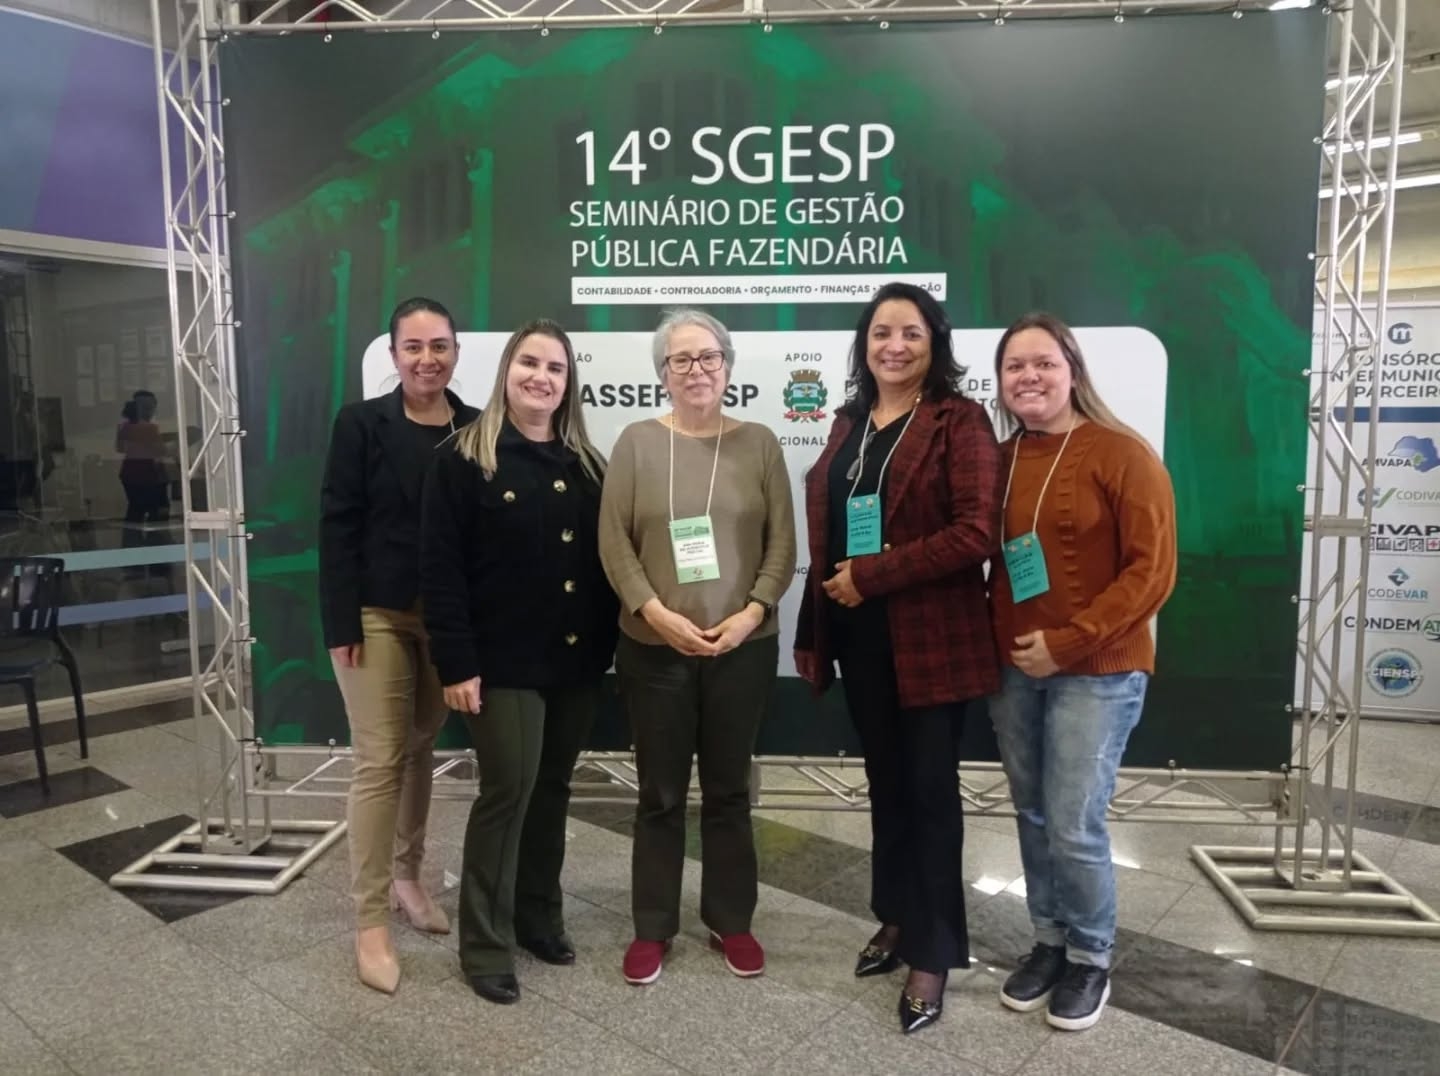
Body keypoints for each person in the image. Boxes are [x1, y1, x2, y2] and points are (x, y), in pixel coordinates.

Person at [793, 281, 1003, 1035]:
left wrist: (872, 575)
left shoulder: (959, 420)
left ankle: (933, 952)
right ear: (865, 343)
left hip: (930, 641)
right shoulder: (850, 420)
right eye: (881, 332)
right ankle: (897, 915)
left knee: (930, 795)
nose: (895, 345)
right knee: (886, 786)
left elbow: (975, 532)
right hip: (859, 638)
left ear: (934, 342)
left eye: (911, 332)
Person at [986, 312, 1177, 1032]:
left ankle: (1091, 956)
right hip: (1014, 670)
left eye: (1044, 363)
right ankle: (1049, 941)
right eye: (1014, 366)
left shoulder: (1122, 453)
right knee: (1032, 812)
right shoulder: (999, 460)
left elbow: (1152, 573)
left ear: (1073, 371)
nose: (1029, 376)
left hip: (1097, 671)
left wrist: (1069, 643)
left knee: (1073, 822)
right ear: (1000, 381)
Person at [420, 320, 617, 1006]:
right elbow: (441, 573)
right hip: (499, 665)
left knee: (552, 791)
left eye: (555, 368)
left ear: (569, 384)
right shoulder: (462, 460)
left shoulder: (588, 466)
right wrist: (456, 664)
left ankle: (538, 919)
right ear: (507, 370)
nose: (542, 377)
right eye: (530, 363)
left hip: (575, 663)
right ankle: (484, 946)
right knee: (507, 792)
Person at [599, 308, 796, 987]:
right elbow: (613, 543)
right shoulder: (635, 443)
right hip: (654, 650)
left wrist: (750, 614)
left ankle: (730, 920)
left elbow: (781, 545)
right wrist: (655, 614)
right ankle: (652, 926)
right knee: (658, 794)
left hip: (742, 648)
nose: (697, 369)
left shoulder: (761, 443)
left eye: (709, 356)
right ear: (663, 373)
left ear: (728, 366)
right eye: (680, 359)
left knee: (728, 791)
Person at [318, 297, 479, 994]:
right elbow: (337, 525)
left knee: (420, 748)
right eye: (413, 347)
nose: (427, 359)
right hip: (376, 614)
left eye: (439, 345)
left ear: (455, 352)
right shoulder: (361, 424)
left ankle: (410, 878)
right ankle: (370, 920)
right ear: (393, 356)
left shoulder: (476, 427)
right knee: (380, 758)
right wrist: (340, 624)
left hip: (445, 620)